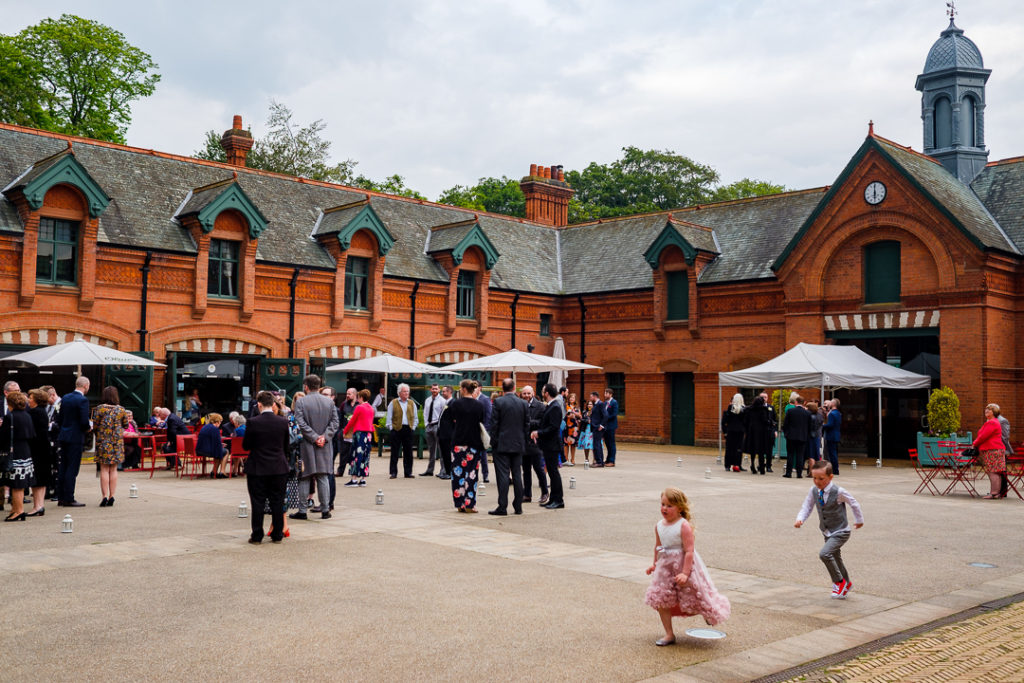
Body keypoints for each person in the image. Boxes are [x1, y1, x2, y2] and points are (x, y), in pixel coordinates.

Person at [644, 487, 731, 645]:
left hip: (684, 564)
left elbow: (689, 551)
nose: (664, 508)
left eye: (669, 506)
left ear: (680, 508)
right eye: (663, 504)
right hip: (665, 567)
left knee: (695, 595)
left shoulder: (683, 525)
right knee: (661, 598)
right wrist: (654, 564)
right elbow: (658, 546)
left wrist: (685, 572)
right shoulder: (659, 526)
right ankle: (669, 634)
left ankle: (708, 613)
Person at [795, 461, 864, 598]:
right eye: (814, 478)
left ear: (830, 477)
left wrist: (859, 520)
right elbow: (807, 506)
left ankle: (839, 582)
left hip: (841, 531)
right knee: (836, 558)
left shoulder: (838, 491)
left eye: (821, 479)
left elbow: (854, 503)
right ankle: (847, 583)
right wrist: (800, 519)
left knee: (825, 554)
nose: (817, 481)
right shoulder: (814, 490)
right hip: (827, 531)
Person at [243, 391, 291, 544]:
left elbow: (246, 446)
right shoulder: (283, 422)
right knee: (277, 501)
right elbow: (286, 446)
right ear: (274, 404)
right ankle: (277, 533)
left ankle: (257, 535)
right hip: (278, 467)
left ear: (259, 404)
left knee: (257, 502)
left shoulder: (252, 422)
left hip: (258, 467)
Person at [291, 375, 339, 520]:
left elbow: (300, 422)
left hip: (307, 444)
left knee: (305, 476)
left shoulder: (301, 402)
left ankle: (302, 510)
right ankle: (325, 510)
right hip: (324, 444)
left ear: (306, 386)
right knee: (323, 476)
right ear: (319, 386)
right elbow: (335, 422)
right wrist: (324, 437)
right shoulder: (329, 402)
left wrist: (313, 436)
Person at [488, 378, 528, 516]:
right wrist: (524, 441)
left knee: (503, 475)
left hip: (502, 444)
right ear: (514, 387)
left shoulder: (498, 402)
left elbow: (494, 425)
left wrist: (493, 442)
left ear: (502, 388)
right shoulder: (523, 403)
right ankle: (518, 506)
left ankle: (502, 506)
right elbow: (526, 425)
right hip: (518, 443)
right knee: (517, 474)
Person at [449, 379, 486, 512]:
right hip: (474, 443)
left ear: (464, 389)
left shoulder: (456, 404)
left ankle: (459, 503)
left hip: (458, 442)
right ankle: (470, 503)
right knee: (471, 474)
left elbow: (453, 420)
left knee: (457, 474)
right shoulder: (479, 405)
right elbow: (481, 421)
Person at [91, 386, 131, 506]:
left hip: (103, 442)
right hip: (116, 443)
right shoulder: (121, 410)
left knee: (104, 469)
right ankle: (112, 495)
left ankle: (104, 496)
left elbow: (95, 425)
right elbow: (125, 425)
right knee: (113, 469)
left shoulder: (99, 409)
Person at [57, 376, 91, 507]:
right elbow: (84, 421)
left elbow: (60, 418)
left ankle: (61, 496)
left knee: (63, 467)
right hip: (76, 437)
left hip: (64, 435)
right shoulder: (82, 400)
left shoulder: (65, 397)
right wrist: (88, 428)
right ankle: (69, 497)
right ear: (86, 386)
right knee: (72, 468)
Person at [2, 391, 35, 521]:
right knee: (20, 484)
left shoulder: (10, 416)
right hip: (25, 451)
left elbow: (3, 436)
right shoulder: (27, 415)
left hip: (13, 452)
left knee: (15, 484)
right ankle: (16, 509)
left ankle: (18, 510)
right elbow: (32, 434)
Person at [531, 383, 565, 509]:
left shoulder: (555, 406)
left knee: (553, 472)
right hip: (548, 444)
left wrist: (538, 433)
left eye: (543, 391)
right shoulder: (551, 406)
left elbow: (553, 427)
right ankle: (553, 499)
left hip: (552, 445)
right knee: (551, 472)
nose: (542, 393)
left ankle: (558, 499)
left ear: (547, 393)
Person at [25, 389, 53, 516]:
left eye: (30, 398)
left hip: (36, 450)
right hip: (44, 449)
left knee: (36, 479)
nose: (28, 400)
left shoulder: (33, 413)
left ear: (36, 400)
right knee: (42, 479)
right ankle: (40, 505)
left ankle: (36, 506)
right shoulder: (42, 412)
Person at [972, 403, 1008, 499]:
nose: (986, 411)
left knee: (993, 472)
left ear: (994, 412)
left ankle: (994, 493)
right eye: (986, 409)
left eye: (989, 410)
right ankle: (996, 493)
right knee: (996, 472)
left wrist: (974, 443)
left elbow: (983, 436)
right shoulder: (993, 421)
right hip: (995, 449)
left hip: (992, 450)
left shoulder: (992, 422)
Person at [520, 385, 548, 504]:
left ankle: (545, 492)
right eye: (524, 393)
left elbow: (542, 422)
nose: (526, 395)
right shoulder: (520, 404)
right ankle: (527, 494)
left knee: (538, 468)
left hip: (535, 442)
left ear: (533, 393)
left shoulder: (540, 406)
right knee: (526, 470)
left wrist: (528, 422)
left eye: (528, 393)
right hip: (523, 442)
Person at [386, 383, 420, 479]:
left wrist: (413, 427)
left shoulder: (411, 403)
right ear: (399, 393)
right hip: (396, 429)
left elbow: (415, 417)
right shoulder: (393, 403)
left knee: (408, 452)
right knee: (395, 452)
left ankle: (408, 472)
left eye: (407, 391)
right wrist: (391, 428)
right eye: (404, 391)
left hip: (408, 429)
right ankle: (393, 472)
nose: (406, 393)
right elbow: (389, 417)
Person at [342, 389, 374, 487]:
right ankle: (363, 479)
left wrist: (345, 431)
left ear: (361, 398)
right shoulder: (371, 408)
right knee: (365, 455)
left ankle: (354, 479)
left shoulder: (359, 407)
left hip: (359, 433)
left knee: (356, 455)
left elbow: (352, 421)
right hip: (368, 434)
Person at [782, 395, 811, 478]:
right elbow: (809, 426)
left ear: (796, 402)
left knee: (790, 454)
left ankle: (788, 473)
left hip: (791, 436)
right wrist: (806, 435)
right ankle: (799, 473)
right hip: (802, 437)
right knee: (800, 455)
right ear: (804, 403)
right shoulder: (807, 413)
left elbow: (785, 424)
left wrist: (786, 434)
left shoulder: (790, 411)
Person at [743, 395, 772, 475]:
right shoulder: (764, 410)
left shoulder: (748, 409)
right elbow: (765, 420)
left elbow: (745, 421)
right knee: (761, 451)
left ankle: (752, 465)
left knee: (753, 450)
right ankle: (762, 468)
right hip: (762, 433)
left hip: (751, 432)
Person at [420, 383, 445, 476]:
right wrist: (426, 424)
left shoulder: (442, 401)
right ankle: (430, 470)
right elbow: (425, 413)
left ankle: (443, 470)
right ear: (430, 390)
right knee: (431, 450)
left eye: (436, 389)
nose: (434, 390)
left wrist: (440, 426)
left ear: (439, 390)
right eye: (433, 389)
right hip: (429, 426)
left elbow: (443, 415)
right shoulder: (427, 400)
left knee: (441, 449)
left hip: (437, 426)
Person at [196, 412, 229, 479]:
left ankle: (214, 472)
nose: (220, 424)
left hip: (200, 449)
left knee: (220, 451)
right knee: (225, 451)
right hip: (207, 450)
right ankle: (222, 472)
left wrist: (220, 445)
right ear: (217, 422)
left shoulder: (205, 427)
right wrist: (220, 445)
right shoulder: (215, 429)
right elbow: (217, 442)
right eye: (220, 422)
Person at [721, 393, 746, 472]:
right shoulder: (744, 409)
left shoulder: (731, 408)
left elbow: (727, 420)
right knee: (738, 448)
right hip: (740, 431)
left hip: (731, 430)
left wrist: (725, 431)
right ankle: (737, 464)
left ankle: (728, 465)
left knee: (730, 448)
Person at [436, 385, 455, 480]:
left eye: (444, 391)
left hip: (448, 434)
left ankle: (449, 472)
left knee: (448, 454)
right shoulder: (446, 403)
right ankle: (447, 471)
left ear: (450, 392)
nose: (442, 393)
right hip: (442, 433)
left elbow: (454, 419)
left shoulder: (453, 403)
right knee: (444, 454)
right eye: (442, 391)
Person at [336, 388, 357, 475]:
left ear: (355, 395)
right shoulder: (344, 404)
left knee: (354, 453)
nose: (347, 395)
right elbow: (340, 417)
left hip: (356, 432)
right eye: (347, 394)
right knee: (343, 452)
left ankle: (353, 471)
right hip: (345, 432)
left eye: (349, 394)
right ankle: (340, 471)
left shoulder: (359, 405)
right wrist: (340, 431)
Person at [474, 385, 492, 483]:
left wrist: (484, 429)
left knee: (483, 454)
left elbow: (488, 415)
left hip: (482, 429)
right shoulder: (470, 398)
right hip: (472, 430)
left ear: (480, 388)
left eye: (476, 387)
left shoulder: (485, 399)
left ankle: (485, 475)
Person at [600, 387, 619, 466]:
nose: (605, 395)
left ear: (610, 394)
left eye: (606, 393)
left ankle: (612, 461)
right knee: (607, 443)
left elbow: (614, 414)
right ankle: (608, 460)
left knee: (611, 443)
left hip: (611, 426)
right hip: (605, 426)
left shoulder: (614, 402)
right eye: (604, 393)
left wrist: (606, 418)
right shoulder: (605, 403)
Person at [823, 398, 842, 475]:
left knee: (832, 453)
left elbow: (830, 425)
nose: (829, 404)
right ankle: (835, 469)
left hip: (831, 435)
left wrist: (823, 425)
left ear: (833, 404)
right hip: (836, 434)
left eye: (830, 402)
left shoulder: (832, 413)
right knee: (834, 453)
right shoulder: (838, 413)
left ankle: (835, 470)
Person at [997, 409, 1013, 498]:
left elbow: (1005, 436)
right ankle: (997, 490)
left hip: (1002, 448)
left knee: (1002, 470)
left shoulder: (1002, 421)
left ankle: (1003, 491)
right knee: (997, 470)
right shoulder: (992, 420)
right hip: (995, 448)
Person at [589, 391, 606, 467]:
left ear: (595, 396)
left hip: (598, 427)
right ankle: (599, 461)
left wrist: (601, 425)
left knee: (597, 444)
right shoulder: (596, 404)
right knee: (596, 444)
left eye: (591, 397)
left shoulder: (600, 404)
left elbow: (605, 415)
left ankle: (599, 462)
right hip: (594, 426)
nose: (590, 398)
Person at [806, 400, 823, 476]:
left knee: (811, 455)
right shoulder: (819, 415)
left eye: (807, 407)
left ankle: (811, 472)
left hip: (811, 437)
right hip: (817, 436)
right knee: (817, 455)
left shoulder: (810, 416)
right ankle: (818, 471)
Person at [564, 393, 581, 466]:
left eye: (573, 398)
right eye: (570, 397)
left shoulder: (577, 407)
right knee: (566, 443)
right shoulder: (565, 406)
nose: (571, 399)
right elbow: (564, 414)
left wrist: (574, 414)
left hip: (574, 428)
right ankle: (566, 458)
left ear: (575, 399)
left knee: (573, 444)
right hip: (567, 426)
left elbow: (580, 416)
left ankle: (573, 459)